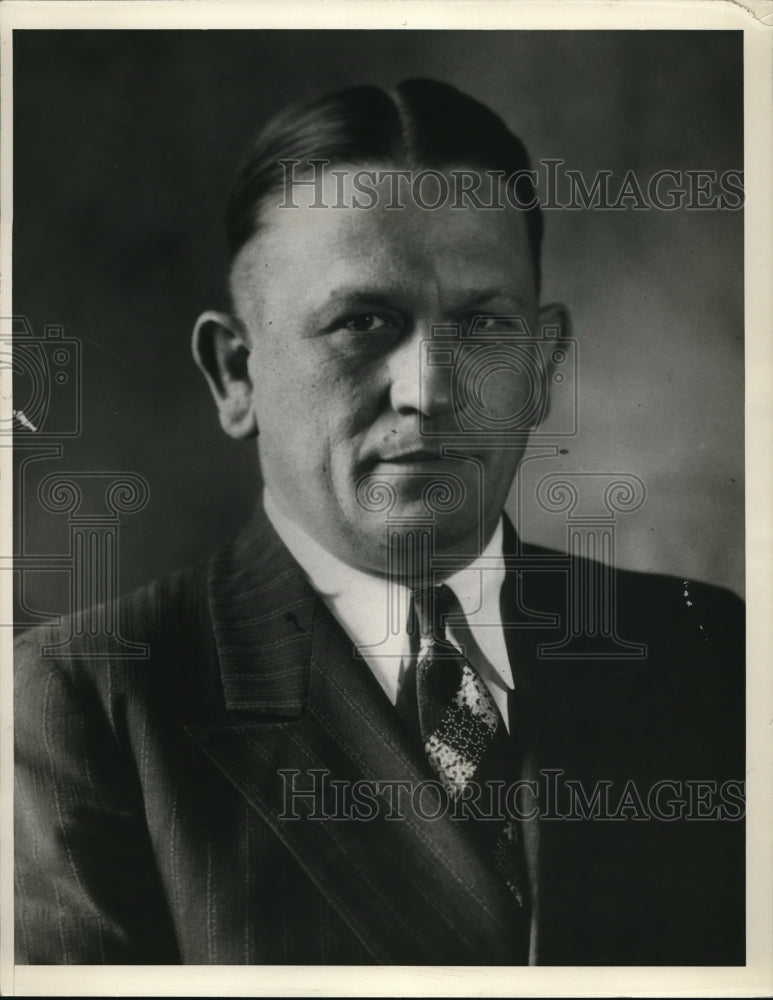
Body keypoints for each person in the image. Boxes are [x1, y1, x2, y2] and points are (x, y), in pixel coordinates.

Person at [14, 79, 744, 966]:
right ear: (235, 374)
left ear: (543, 364)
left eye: (481, 324)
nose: (429, 389)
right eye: (363, 321)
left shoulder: (709, 657)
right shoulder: (86, 701)